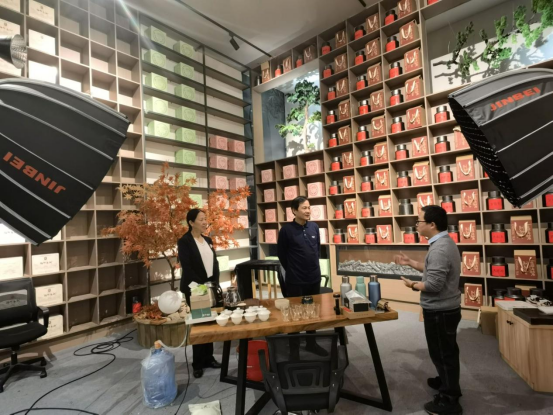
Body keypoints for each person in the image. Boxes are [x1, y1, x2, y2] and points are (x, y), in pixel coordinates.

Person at [394, 205, 463, 415]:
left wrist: (412, 285)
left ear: (432, 224)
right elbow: (433, 270)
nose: (416, 225)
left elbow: (433, 285)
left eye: (419, 221)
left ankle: (450, 399)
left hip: (441, 311)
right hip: (446, 309)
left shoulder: (440, 248)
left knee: (443, 353)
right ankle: (445, 381)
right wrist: (410, 263)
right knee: (444, 351)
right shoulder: (443, 243)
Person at [277, 196, 327, 356]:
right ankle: (294, 349)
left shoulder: (314, 227)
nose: (308, 211)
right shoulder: (286, 230)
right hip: (295, 280)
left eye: (309, 207)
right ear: (294, 210)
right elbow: (282, 254)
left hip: (314, 278)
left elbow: (317, 250)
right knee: (295, 314)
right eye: (304, 208)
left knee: (312, 312)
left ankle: (311, 343)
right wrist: (294, 269)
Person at [178, 209, 221, 379]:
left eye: (205, 219)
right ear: (191, 222)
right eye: (201, 219)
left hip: (210, 286)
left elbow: (215, 262)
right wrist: (203, 286)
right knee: (199, 324)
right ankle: (197, 363)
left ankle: (209, 358)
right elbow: (187, 268)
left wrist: (215, 282)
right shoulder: (185, 241)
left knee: (209, 322)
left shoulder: (208, 240)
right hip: (196, 288)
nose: (205, 222)